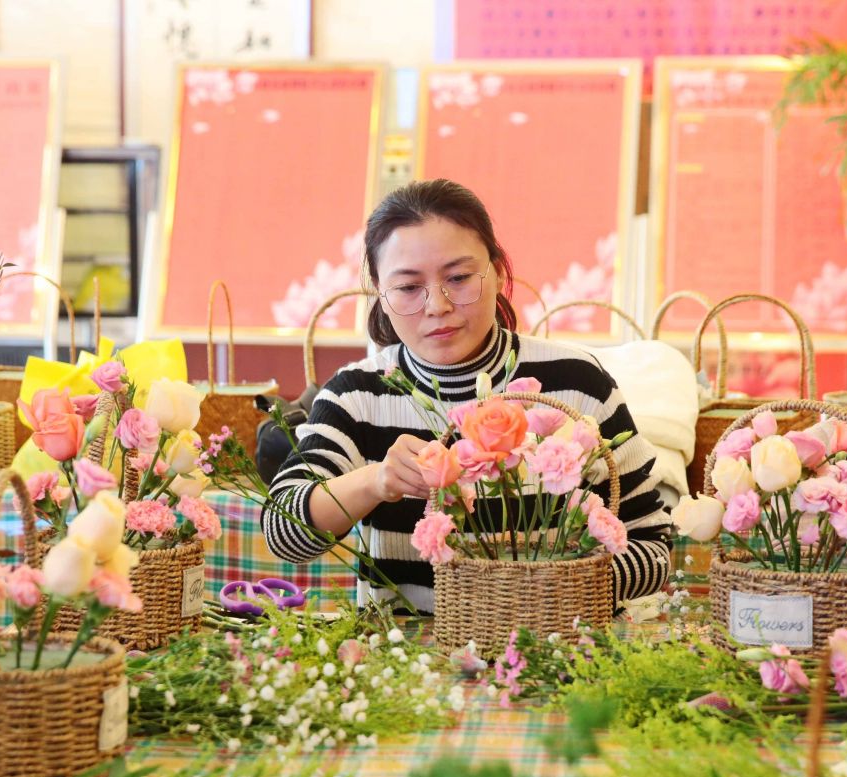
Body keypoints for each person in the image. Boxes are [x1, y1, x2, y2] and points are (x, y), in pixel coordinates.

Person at [262, 179, 674, 611]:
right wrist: (376, 481)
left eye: (458, 278)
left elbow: (653, 544)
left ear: (498, 272)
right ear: (380, 296)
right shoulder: (356, 394)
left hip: (557, 644)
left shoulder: (577, 382)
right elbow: (283, 533)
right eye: (408, 288)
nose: (437, 305)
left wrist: (546, 592)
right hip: (405, 648)